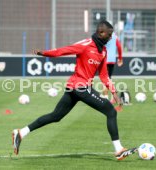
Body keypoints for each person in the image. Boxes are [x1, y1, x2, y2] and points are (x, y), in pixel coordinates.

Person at [12, 20, 136, 160]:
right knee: (110, 111)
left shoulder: (103, 51)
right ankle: (119, 149)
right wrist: (44, 53)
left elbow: (104, 75)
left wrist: (114, 92)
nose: (111, 37)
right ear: (101, 33)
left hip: (77, 88)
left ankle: (21, 132)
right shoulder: (85, 45)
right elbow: (63, 50)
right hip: (79, 87)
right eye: (109, 34)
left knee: (56, 116)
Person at [101, 32, 123, 102]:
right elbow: (119, 47)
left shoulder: (103, 35)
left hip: (104, 59)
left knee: (105, 78)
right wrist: (120, 58)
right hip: (112, 60)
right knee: (109, 78)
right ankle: (113, 97)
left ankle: (106, 97)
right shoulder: (114, 36)